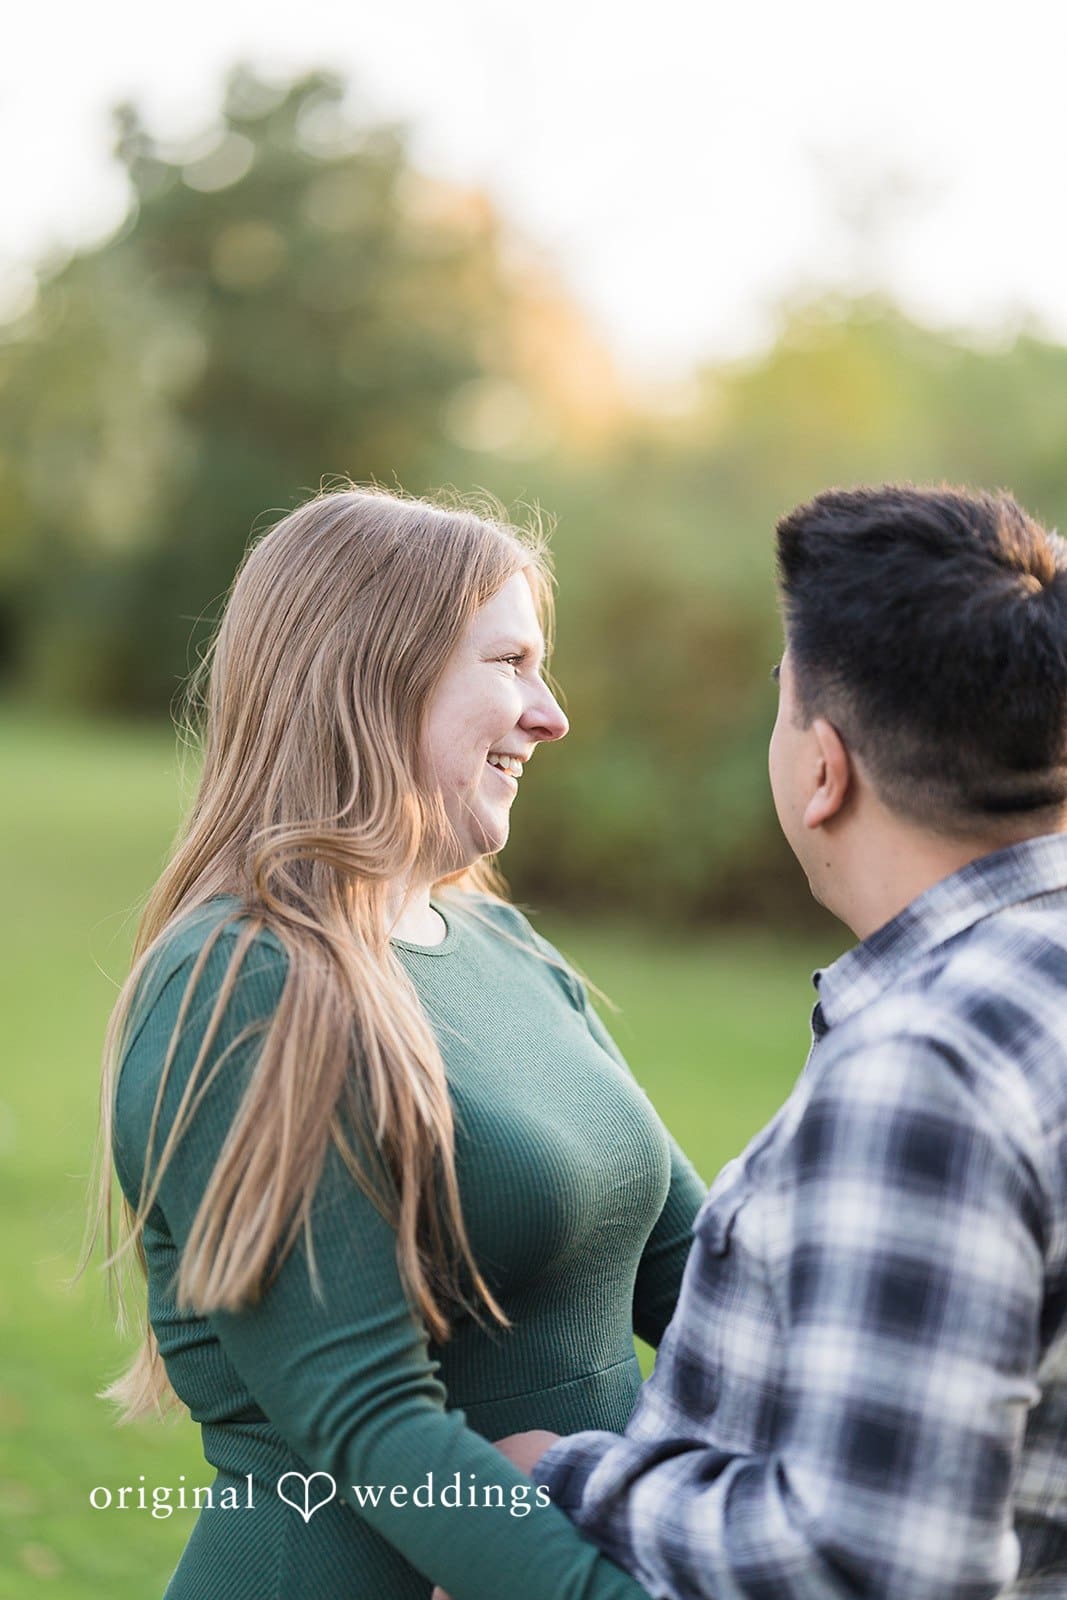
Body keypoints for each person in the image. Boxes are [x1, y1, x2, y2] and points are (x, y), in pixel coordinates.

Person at [85, 487, 705, 1599]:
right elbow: (371, 1426)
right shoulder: (245, 984)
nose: (550, 715)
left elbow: (699, 1279)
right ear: (372, 675)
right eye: (509, 663)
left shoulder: (500, 941)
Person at [503, 485, 1067, 1600]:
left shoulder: (928, 1065)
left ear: (823, 770)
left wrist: (566, 1481)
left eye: (781, 699)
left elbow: (874, 1563)